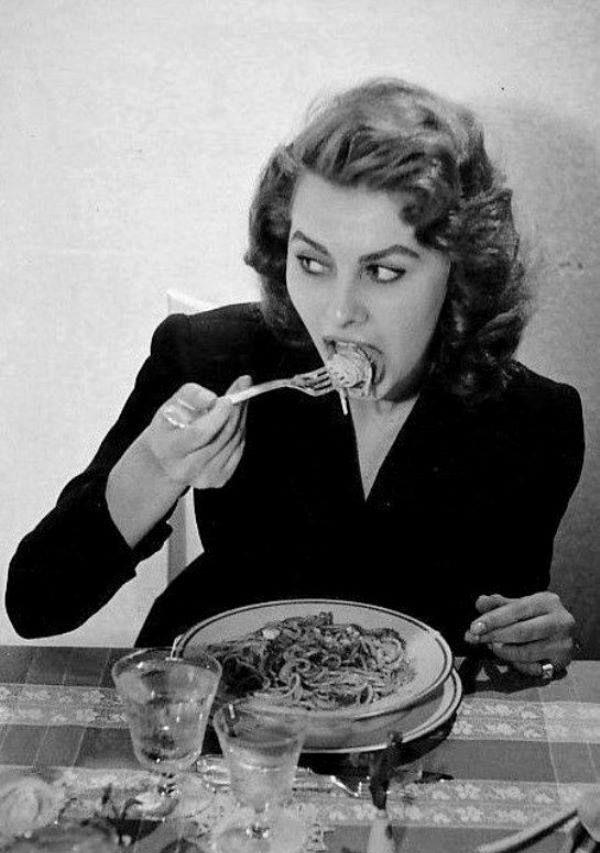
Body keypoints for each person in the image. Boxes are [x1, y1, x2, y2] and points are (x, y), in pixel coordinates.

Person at [7, 78, 584, 678]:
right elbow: (35, 604)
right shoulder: (211, 357)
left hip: (394, 747)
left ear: (461, 273)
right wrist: (155, 466)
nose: (337, 312)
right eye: (312, 261)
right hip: (217, 723)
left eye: (383, 271)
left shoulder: (534, 421)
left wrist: (533, 644)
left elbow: (493, 645)